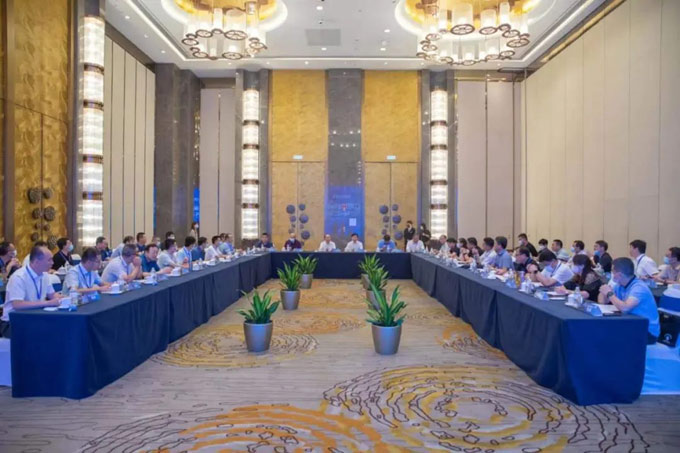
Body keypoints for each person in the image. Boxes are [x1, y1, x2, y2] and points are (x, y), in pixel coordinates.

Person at [0, 245, 62, 338]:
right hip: (13, 322)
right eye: (49, 260)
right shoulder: (19, 277)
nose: (52, 263)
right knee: (45, 334)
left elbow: (52, 295)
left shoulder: (44, 275)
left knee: (60, 327)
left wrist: (66, 298)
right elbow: (17, 304)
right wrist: (47, 303)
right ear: (37, 262)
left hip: (35, 317)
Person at [598, 257, 660, 344]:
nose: (612, 274)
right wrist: (604, 289)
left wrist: (609, 293)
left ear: (619, 275)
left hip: (647, 331)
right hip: (631, 323)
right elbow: (602, 302)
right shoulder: (620, 285)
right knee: (602, 331)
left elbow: (625, 308)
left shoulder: (639, 287)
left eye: (613, 271)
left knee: (609, 337)